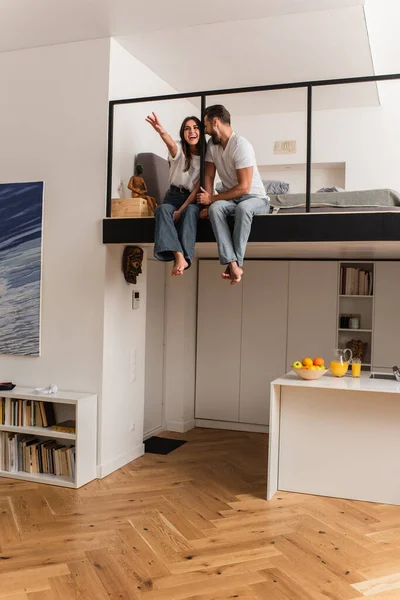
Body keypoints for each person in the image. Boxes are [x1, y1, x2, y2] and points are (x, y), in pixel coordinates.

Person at [197, 105, 269, 285]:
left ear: (215, 122)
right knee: (215, 210)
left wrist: (212, 198)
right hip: (231, 199)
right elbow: (208, 175)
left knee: (244, 208)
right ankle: (233, 264)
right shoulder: (212, 146)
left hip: (255, 199)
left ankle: (234, 265)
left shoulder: (241, 146)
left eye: (205, 127)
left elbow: (244, 187)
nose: (205, 132)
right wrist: (208, 204)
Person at [146, 113, 201, 275]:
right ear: (183, 133)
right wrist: (161, 131)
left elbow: (198, 188)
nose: (192, 131)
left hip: (192, 198)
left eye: (196, 128)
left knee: (190, 212)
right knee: (161, 210)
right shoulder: (179, 149)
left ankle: (185, 257)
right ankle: (178, 255)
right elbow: (170, 143)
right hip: (173, 195)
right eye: (187, 128)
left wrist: (181, 210)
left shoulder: (206, 157)